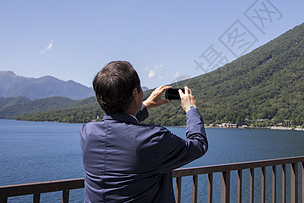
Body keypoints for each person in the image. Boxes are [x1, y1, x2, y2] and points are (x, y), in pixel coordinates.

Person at [80, 61, 208, 202]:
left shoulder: (87, 133)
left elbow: (120, 125)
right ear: (135, 93)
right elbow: (198, 145)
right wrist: (191, 110)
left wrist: (144, 105)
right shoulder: (153, 139)